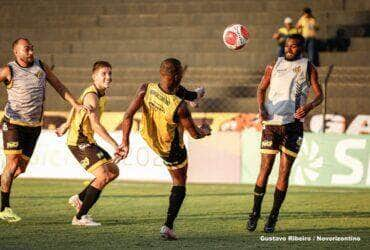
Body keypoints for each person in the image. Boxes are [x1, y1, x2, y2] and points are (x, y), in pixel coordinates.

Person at [118, 58, 211, 240]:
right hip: (170, 148)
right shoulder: (180, 108)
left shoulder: (146, 88)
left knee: (180, 96)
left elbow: (128, 115)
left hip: (149, 137)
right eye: (181, 75)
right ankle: (168, 226)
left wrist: (125, 142)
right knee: (179, 181)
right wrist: (205, 130)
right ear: (177, 76)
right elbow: (194, 135)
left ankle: (194, 96)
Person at [0, 38, 85, 222]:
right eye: (26, 49)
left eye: (32, 48)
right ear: (16, 52)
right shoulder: (10, 70)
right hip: (13, 123)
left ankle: (3, 188)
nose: (31, 52)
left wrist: (75, 104)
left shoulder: (41, 66)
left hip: (34, 126)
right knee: (12, 162)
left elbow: (59, 86)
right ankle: (4, 207)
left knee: (19, 169)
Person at [247, 34, 323, 233]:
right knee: (265, 169)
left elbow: (319, 95)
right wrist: (261, 108)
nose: (289, 49)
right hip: (271, 124)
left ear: (301, 48)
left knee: (283, 172)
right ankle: (255, 212)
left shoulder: (308, 67)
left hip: (293, 126)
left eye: (294, 46)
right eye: (287, 46)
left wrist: (309, 106)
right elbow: (261, 89)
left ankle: (273, 217)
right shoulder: (274, 65)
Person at [56, 61, 122, 226]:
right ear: (94, 76)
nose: (108, 77)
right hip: (79, 142)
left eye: (110, 73)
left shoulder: (98, 94)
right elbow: (96, 126)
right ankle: (79, 217)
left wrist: (66, 124)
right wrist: (115, 145)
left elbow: (76, 106)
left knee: (113, 171)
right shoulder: (92, 96)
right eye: (104, 74)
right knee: (103, 175)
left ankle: (79, 198)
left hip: (87, 140)